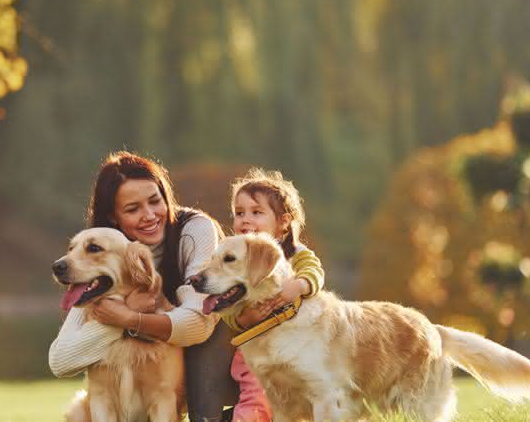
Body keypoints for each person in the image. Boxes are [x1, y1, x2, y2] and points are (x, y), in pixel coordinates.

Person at [49, 151, 239, 422]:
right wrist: (115, 319)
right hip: (154, 350)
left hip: (212, 341)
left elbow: (199, 323)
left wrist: (130, 318)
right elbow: (61, 360)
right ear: (113, 217)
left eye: (155, 201)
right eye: (132, 209)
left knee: (203, 366)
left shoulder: (194, 229)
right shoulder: (105, 254)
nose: (149, 215)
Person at [221, 167, 326, 422]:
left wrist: (300, 285)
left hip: (295, 349)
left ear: (283, 221)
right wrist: (242, 320)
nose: (245, 220)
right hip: (256, 352)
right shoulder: (234, 257)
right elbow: (225, 305)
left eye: (256, 213)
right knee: (256, 399)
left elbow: (315, 272)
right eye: (239, 213)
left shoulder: (296, 253)